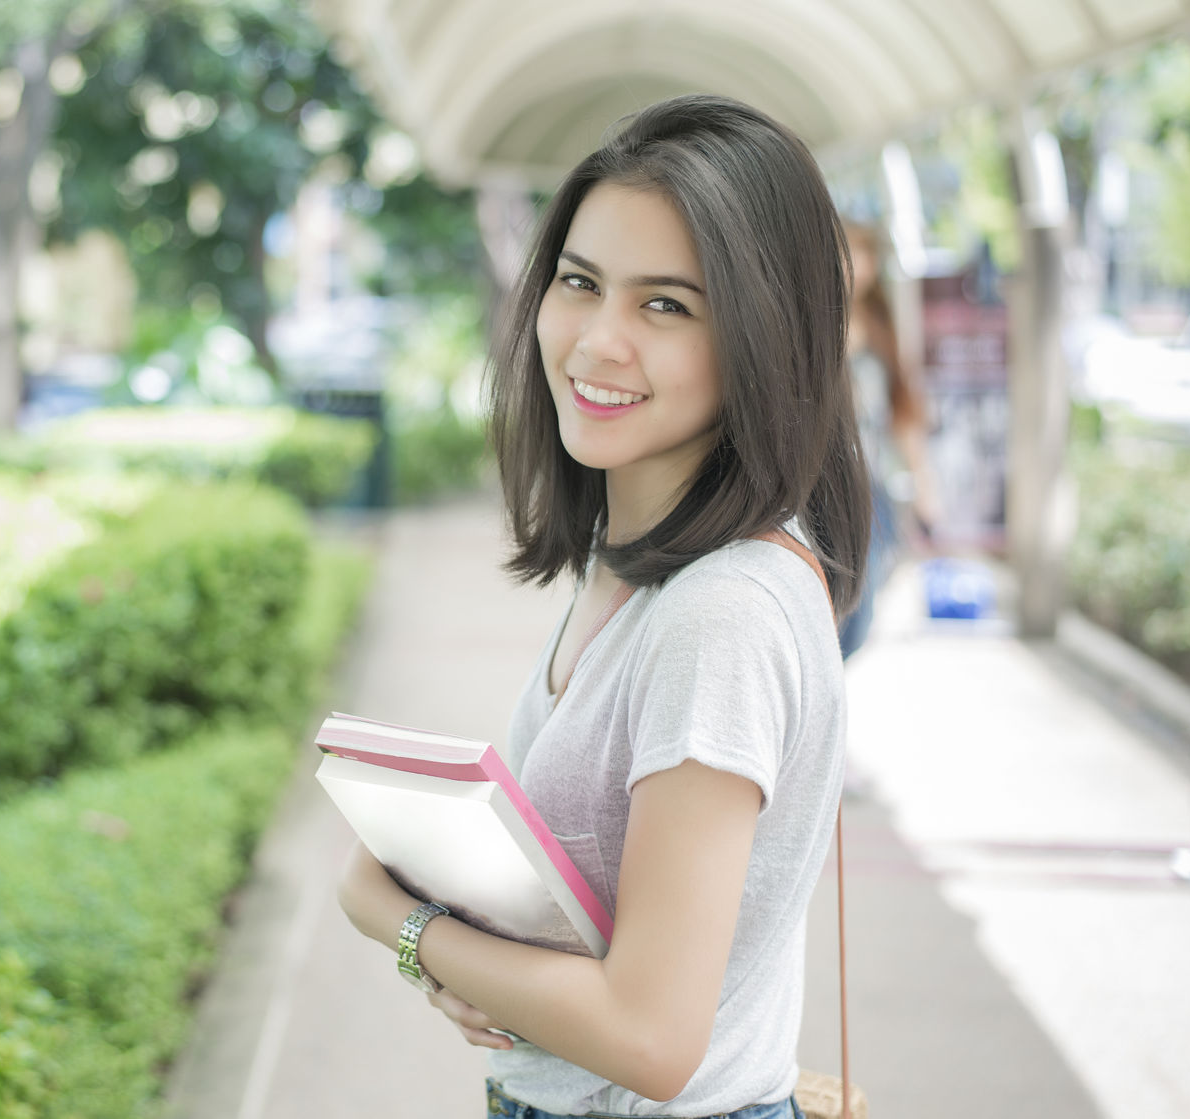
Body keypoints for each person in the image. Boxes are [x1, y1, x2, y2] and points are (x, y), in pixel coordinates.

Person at [337, 93, 869, 1118]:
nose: (596, 341)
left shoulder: (721, 615)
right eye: (580, 283)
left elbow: (652, 1038)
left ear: (764, 336)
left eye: (665, 304)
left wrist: (396, 920)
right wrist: (464, 951)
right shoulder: (627, 556)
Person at [839, 221, 939, 658]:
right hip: (816, 488)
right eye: (845, 253)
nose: (854, 266)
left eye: (862, 255)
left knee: (863, 612)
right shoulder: (806, 324)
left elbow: (902, 415)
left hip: (871, 486)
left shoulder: (880, 327)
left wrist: (925, 486)